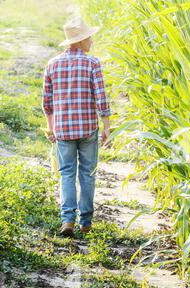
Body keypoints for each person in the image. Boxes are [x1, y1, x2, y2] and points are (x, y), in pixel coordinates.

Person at [41, 17, 111, 237]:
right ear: (81, 41)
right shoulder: (92, 63)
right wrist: (107, 126)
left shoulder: (52, 64)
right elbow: (101, 99)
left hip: (63, 130)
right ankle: (86, 223)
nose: (91, 40)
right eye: (89, 37)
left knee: (67, 174)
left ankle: (67, 220)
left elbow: (47, 103)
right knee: (87, 174)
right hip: (88, 128)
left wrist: (51, 128)